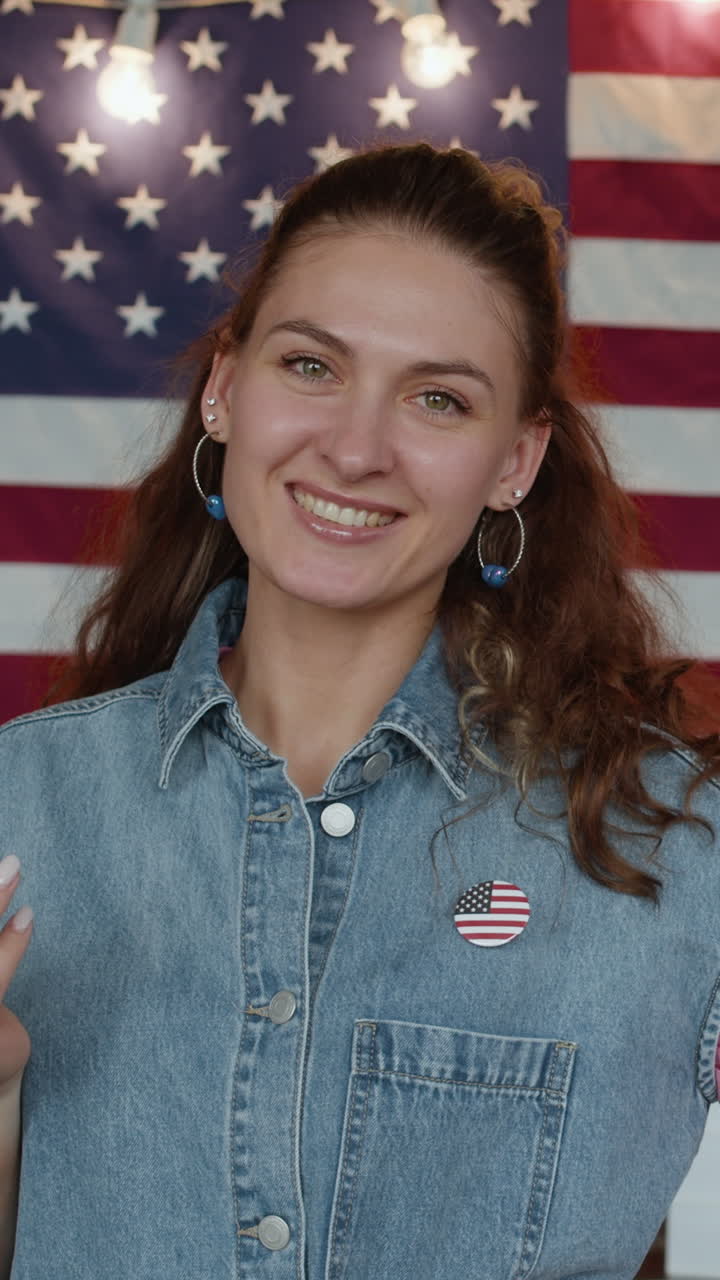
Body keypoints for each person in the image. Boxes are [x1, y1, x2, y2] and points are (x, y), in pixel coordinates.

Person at [0, 141, 718, 1279]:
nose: (355, 446)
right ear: (225, 389)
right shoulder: (20, 807)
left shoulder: (675, 847)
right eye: (311, 365)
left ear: (516, 460)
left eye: (438, 397)